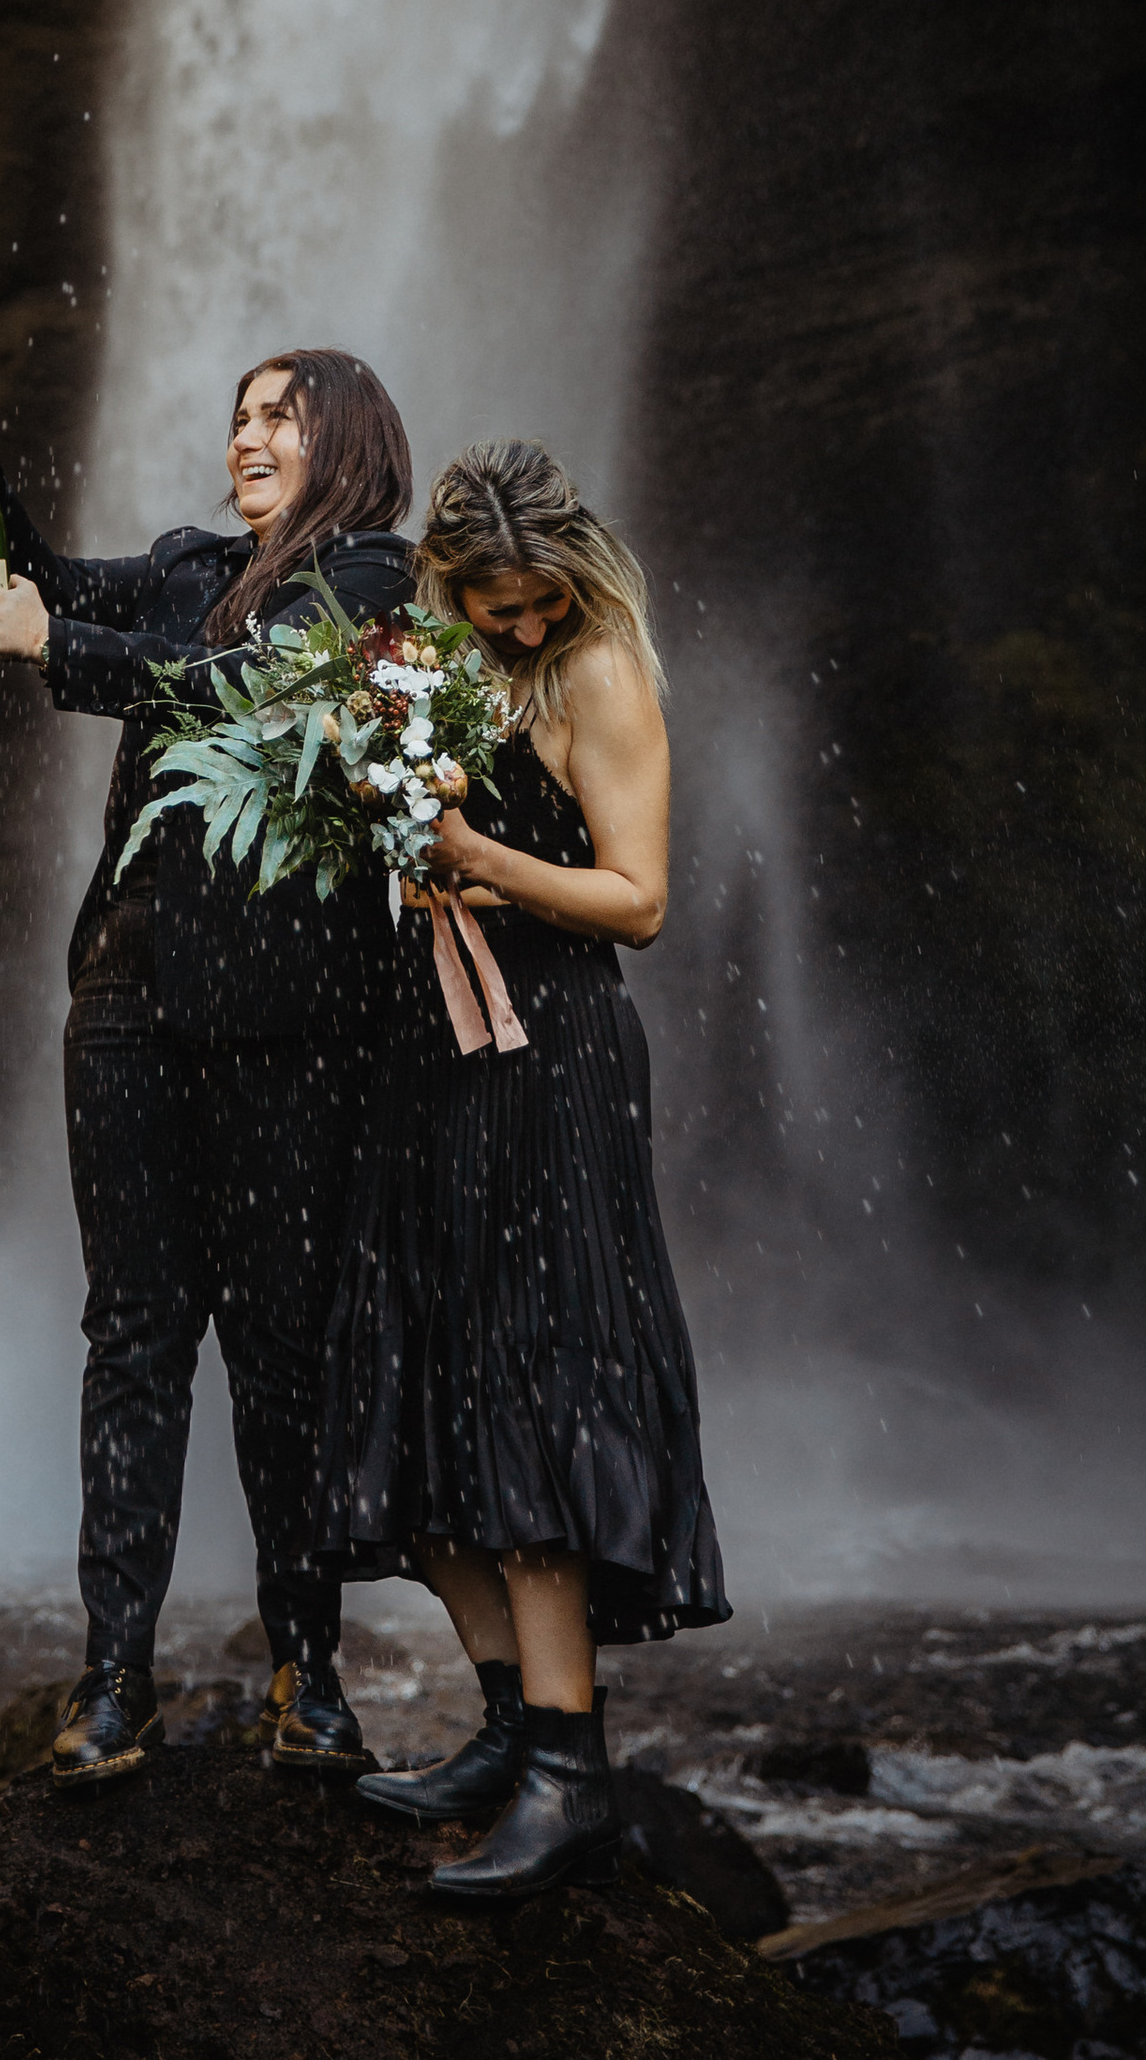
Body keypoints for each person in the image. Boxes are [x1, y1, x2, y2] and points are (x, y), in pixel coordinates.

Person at [0, 344, 415, 1787]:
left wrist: (50, 647)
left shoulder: (374, 585)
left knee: (278, 1353)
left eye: (283, 416)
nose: (247, 434)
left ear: (354, 445)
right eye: (240, 414)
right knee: (134, 1333)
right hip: (129, 997)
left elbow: (251, 688)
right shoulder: (189, 561)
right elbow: (39, 582)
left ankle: (304, 1672)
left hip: (287, 1020)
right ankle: (112, 1678)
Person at [312, 437, 728, 1902]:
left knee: (530, 1388)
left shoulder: (599, 672)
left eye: (546, 599)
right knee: (420, 1382)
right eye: (501, 606)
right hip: (430, 1056)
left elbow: (641, 898)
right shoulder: (414, 659)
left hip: (550, 1060)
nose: (530, 626)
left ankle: (573, 1770)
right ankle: (503, 1723)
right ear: (446, 581)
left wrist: (478, 855)